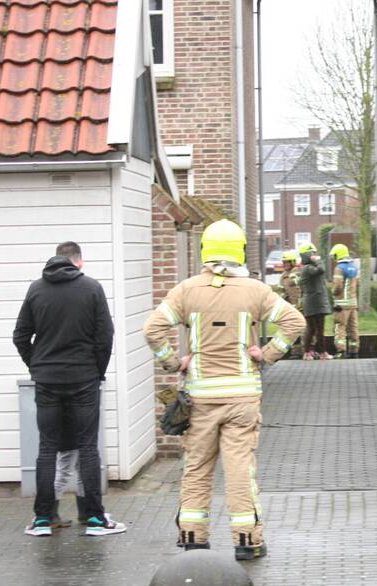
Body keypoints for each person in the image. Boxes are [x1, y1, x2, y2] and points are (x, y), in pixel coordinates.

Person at [144, 219, 304, 560]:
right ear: (240, 251)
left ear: (206, 251)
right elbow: (295, 322)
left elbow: (153, 329)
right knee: (239, 470)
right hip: (242, 399)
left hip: (200, 400)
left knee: (197, 468)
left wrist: (174, 362)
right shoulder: (256, 290)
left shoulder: (186, 290)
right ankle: (247, 540)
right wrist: (269, 353)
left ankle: (193, 538)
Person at [13, 241, 124, 537]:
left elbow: (21, 335)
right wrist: (96, 372)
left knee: (47, 448)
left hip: (47, 381)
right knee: (88, 447)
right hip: (83, 379)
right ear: (79, 262)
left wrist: (36, 366)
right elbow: (105, 337)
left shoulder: (36, 289)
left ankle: (42, 519)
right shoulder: (91, 288)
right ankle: (96, 520)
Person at [297, 242, 333, 360]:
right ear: (308, 254)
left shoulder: (307, 268)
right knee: (315, 329)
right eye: (313, 253)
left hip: (315, 302)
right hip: (314, 303)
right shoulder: (308, 268)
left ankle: (312, 352)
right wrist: (318, 260)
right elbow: (321, 269)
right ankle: (316, 353)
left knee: (314, 329)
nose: (315, 255)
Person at [330, 243, 360, 358]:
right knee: (353, 328)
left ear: (338, 254)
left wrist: (333, 292)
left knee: (340, 326)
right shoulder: (353, 266)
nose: (334, 258)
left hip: (342, 304)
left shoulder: (339, 268)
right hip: (353, 303)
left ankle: (341, 351)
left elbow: (337, 286)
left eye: (334, 255)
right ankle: (354, 351)